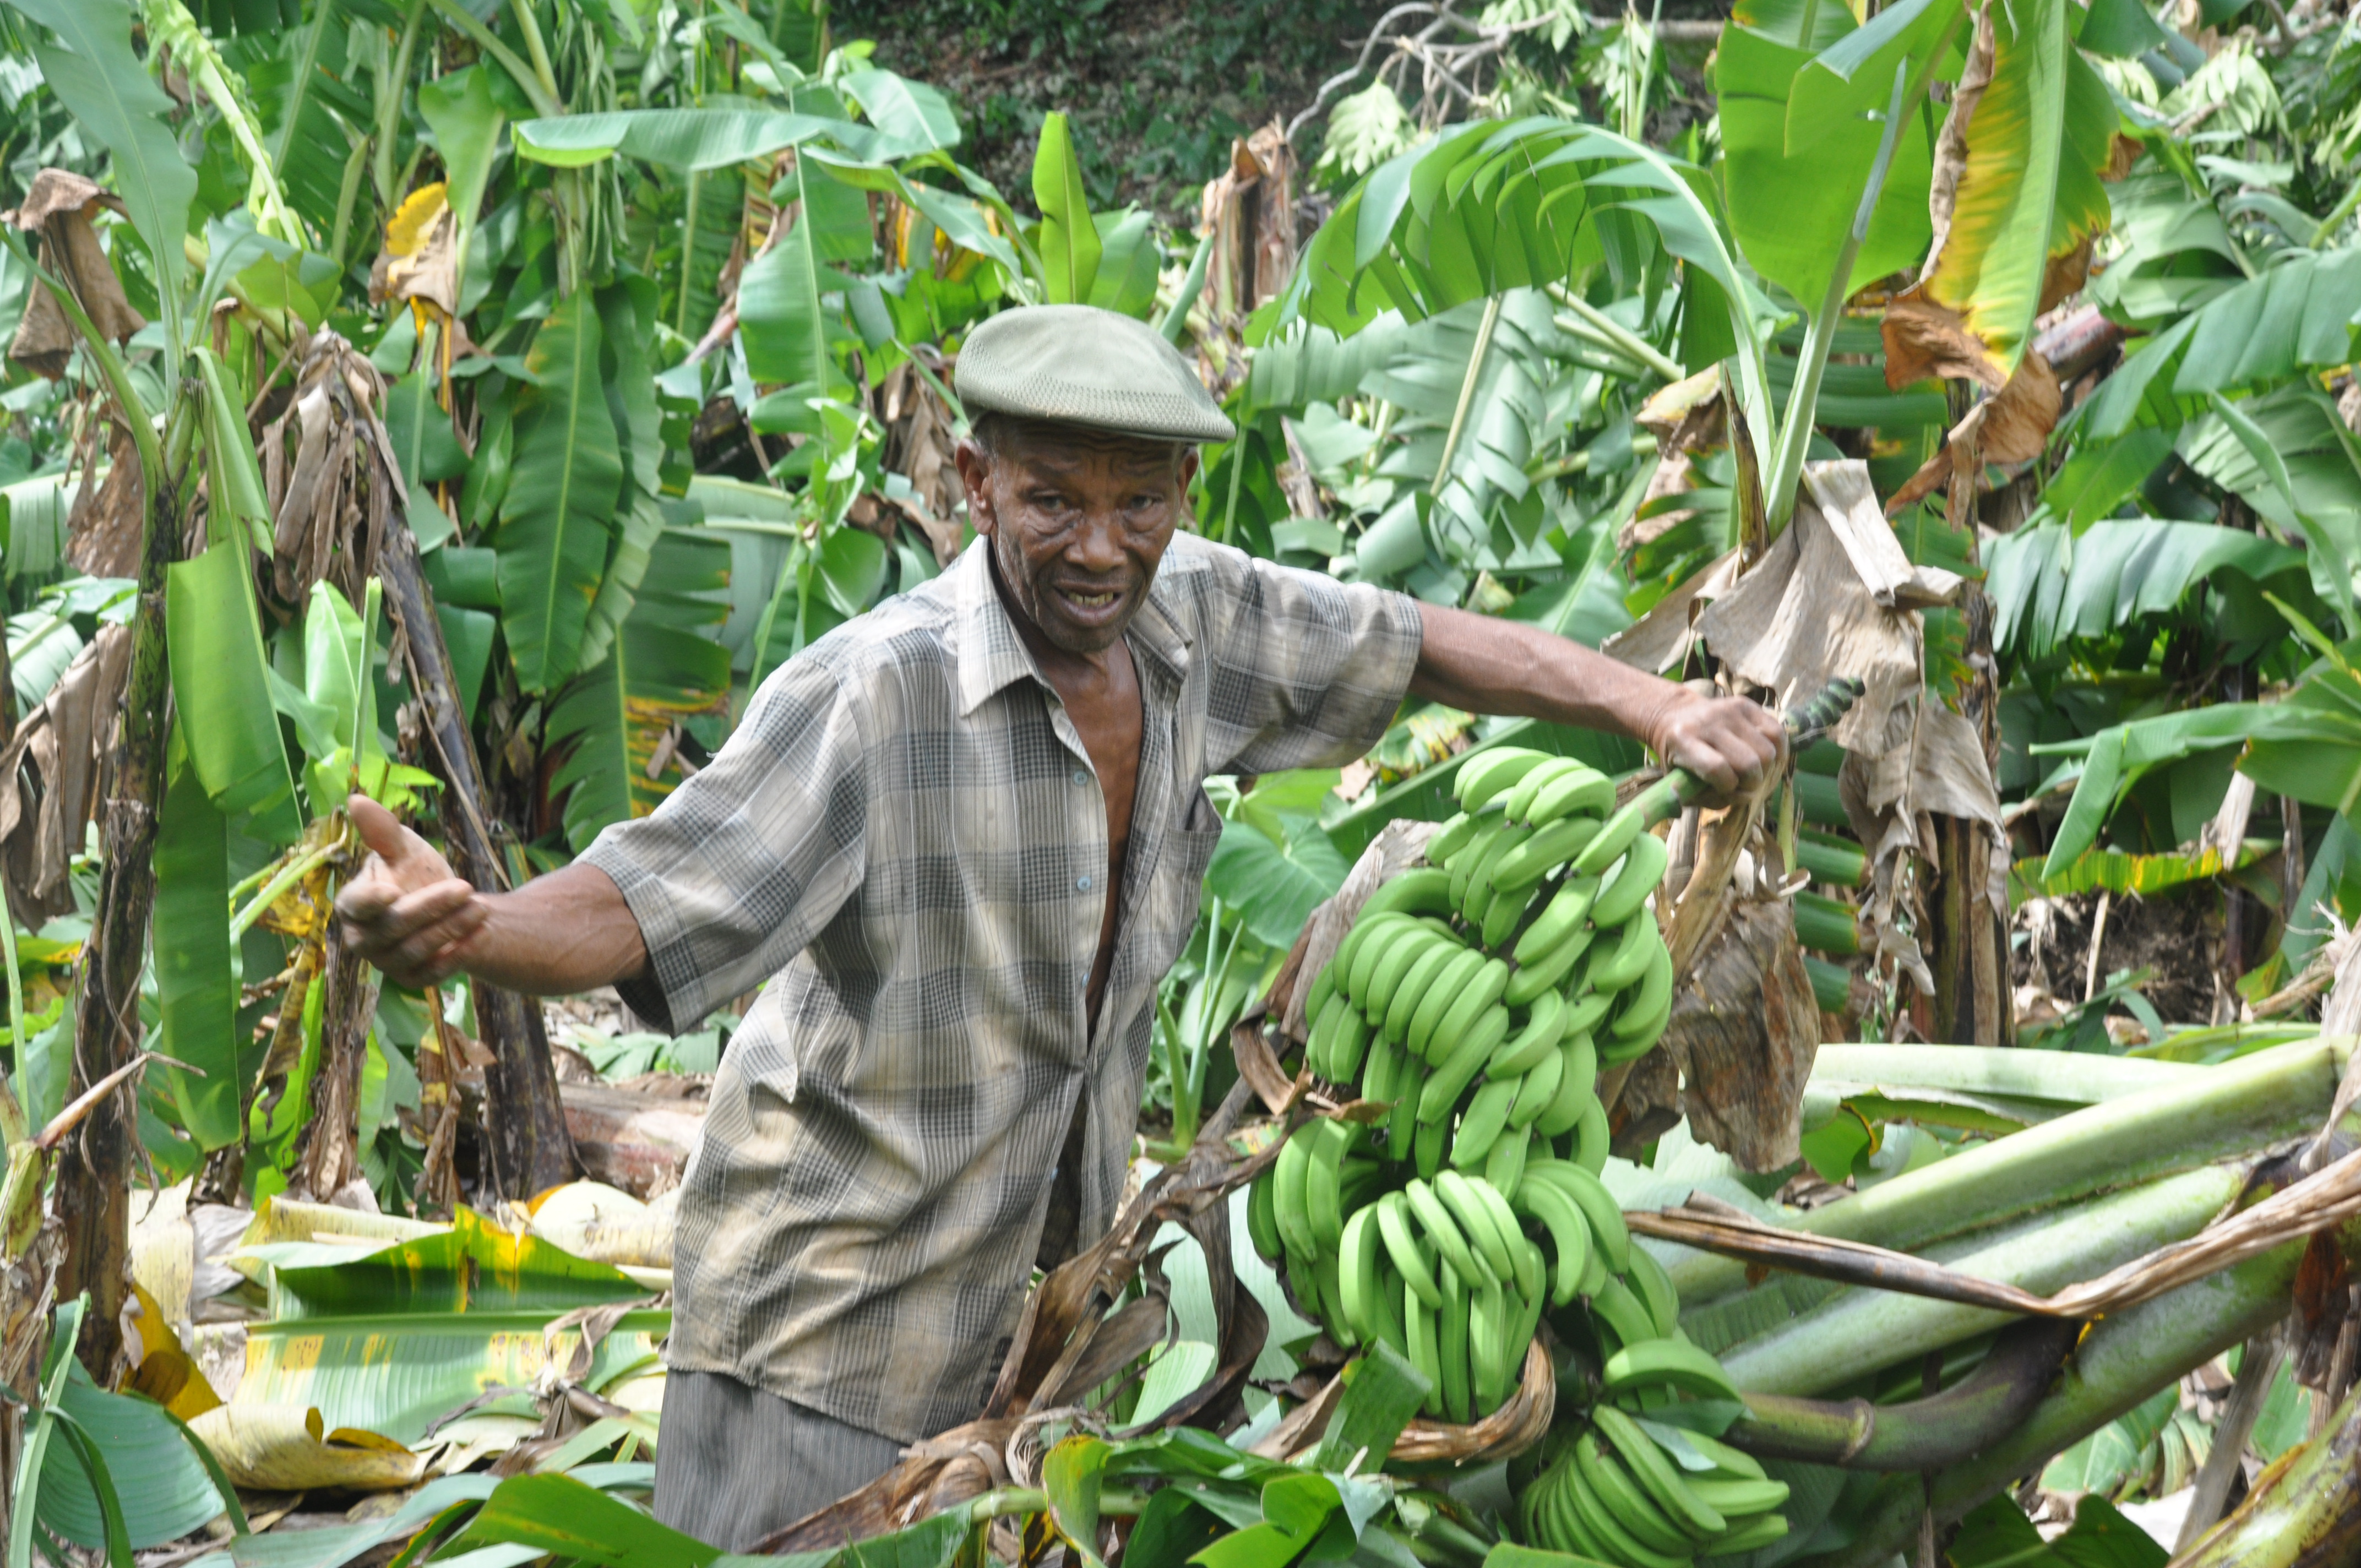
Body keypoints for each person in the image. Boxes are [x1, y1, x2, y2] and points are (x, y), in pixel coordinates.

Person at [336, 303, 1785, 1548]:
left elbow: (1414, 646)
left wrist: (1652, 704)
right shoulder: (876, 696)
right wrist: (467, 934)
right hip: (828, 1339)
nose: (1102, 548)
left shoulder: (1193, 627)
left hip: (1045, 1332)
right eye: (1054, 502)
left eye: (1139, 505)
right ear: (974, 481)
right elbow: (638, 901)